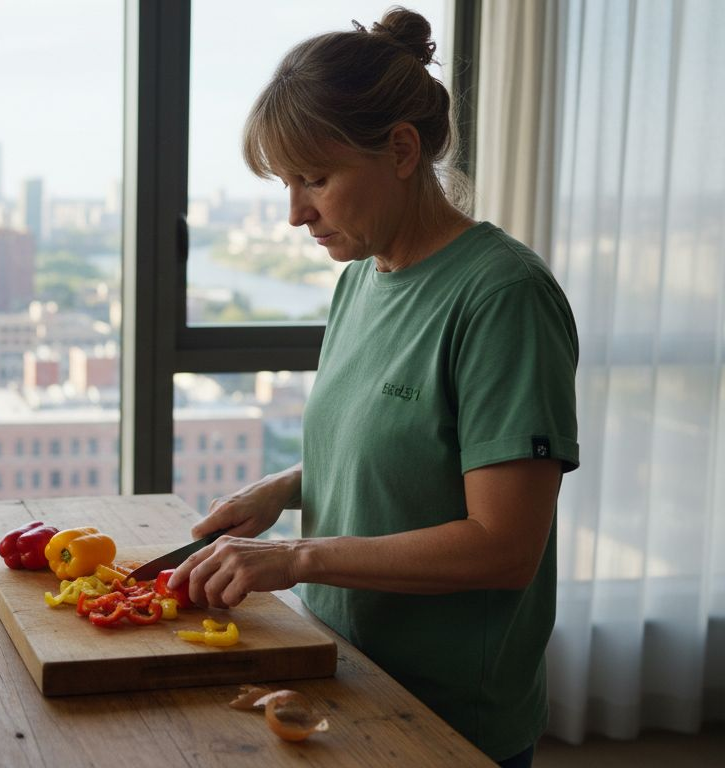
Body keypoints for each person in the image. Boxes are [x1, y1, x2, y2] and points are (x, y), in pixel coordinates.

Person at [165, 8, 578, 768]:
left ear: (400, 149)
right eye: (286, 184)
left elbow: (504, 547)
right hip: (342, 672)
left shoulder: (503, 297)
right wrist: (285, 486)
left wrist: (298, 558)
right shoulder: (362, 277)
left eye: (315, 179)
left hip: (448, 716)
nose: (295, 214)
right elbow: (407, 442)